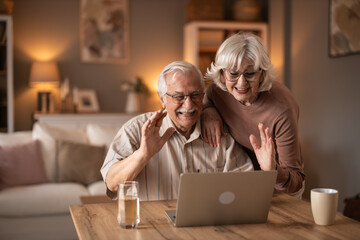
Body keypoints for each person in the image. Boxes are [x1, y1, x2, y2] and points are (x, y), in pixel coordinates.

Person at [100, 61, 269, 201]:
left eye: (195, 95)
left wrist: (269, 169)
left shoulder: (220, 133)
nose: (188, 105)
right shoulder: (135, 130)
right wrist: (142, 155)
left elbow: (246, 189)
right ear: (162, 98)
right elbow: (112, 183)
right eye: (179, 97)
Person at [201, 33, 305, 197]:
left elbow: (295, 182)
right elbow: (207, 98)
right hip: (243, 179)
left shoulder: (281, 109)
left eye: (250, 74)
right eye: (233, 74)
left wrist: (272, 170)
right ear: (222, 74)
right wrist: (208, 110)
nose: (241, 83)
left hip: (281, 186)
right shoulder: (218, 91)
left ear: (262, 74)